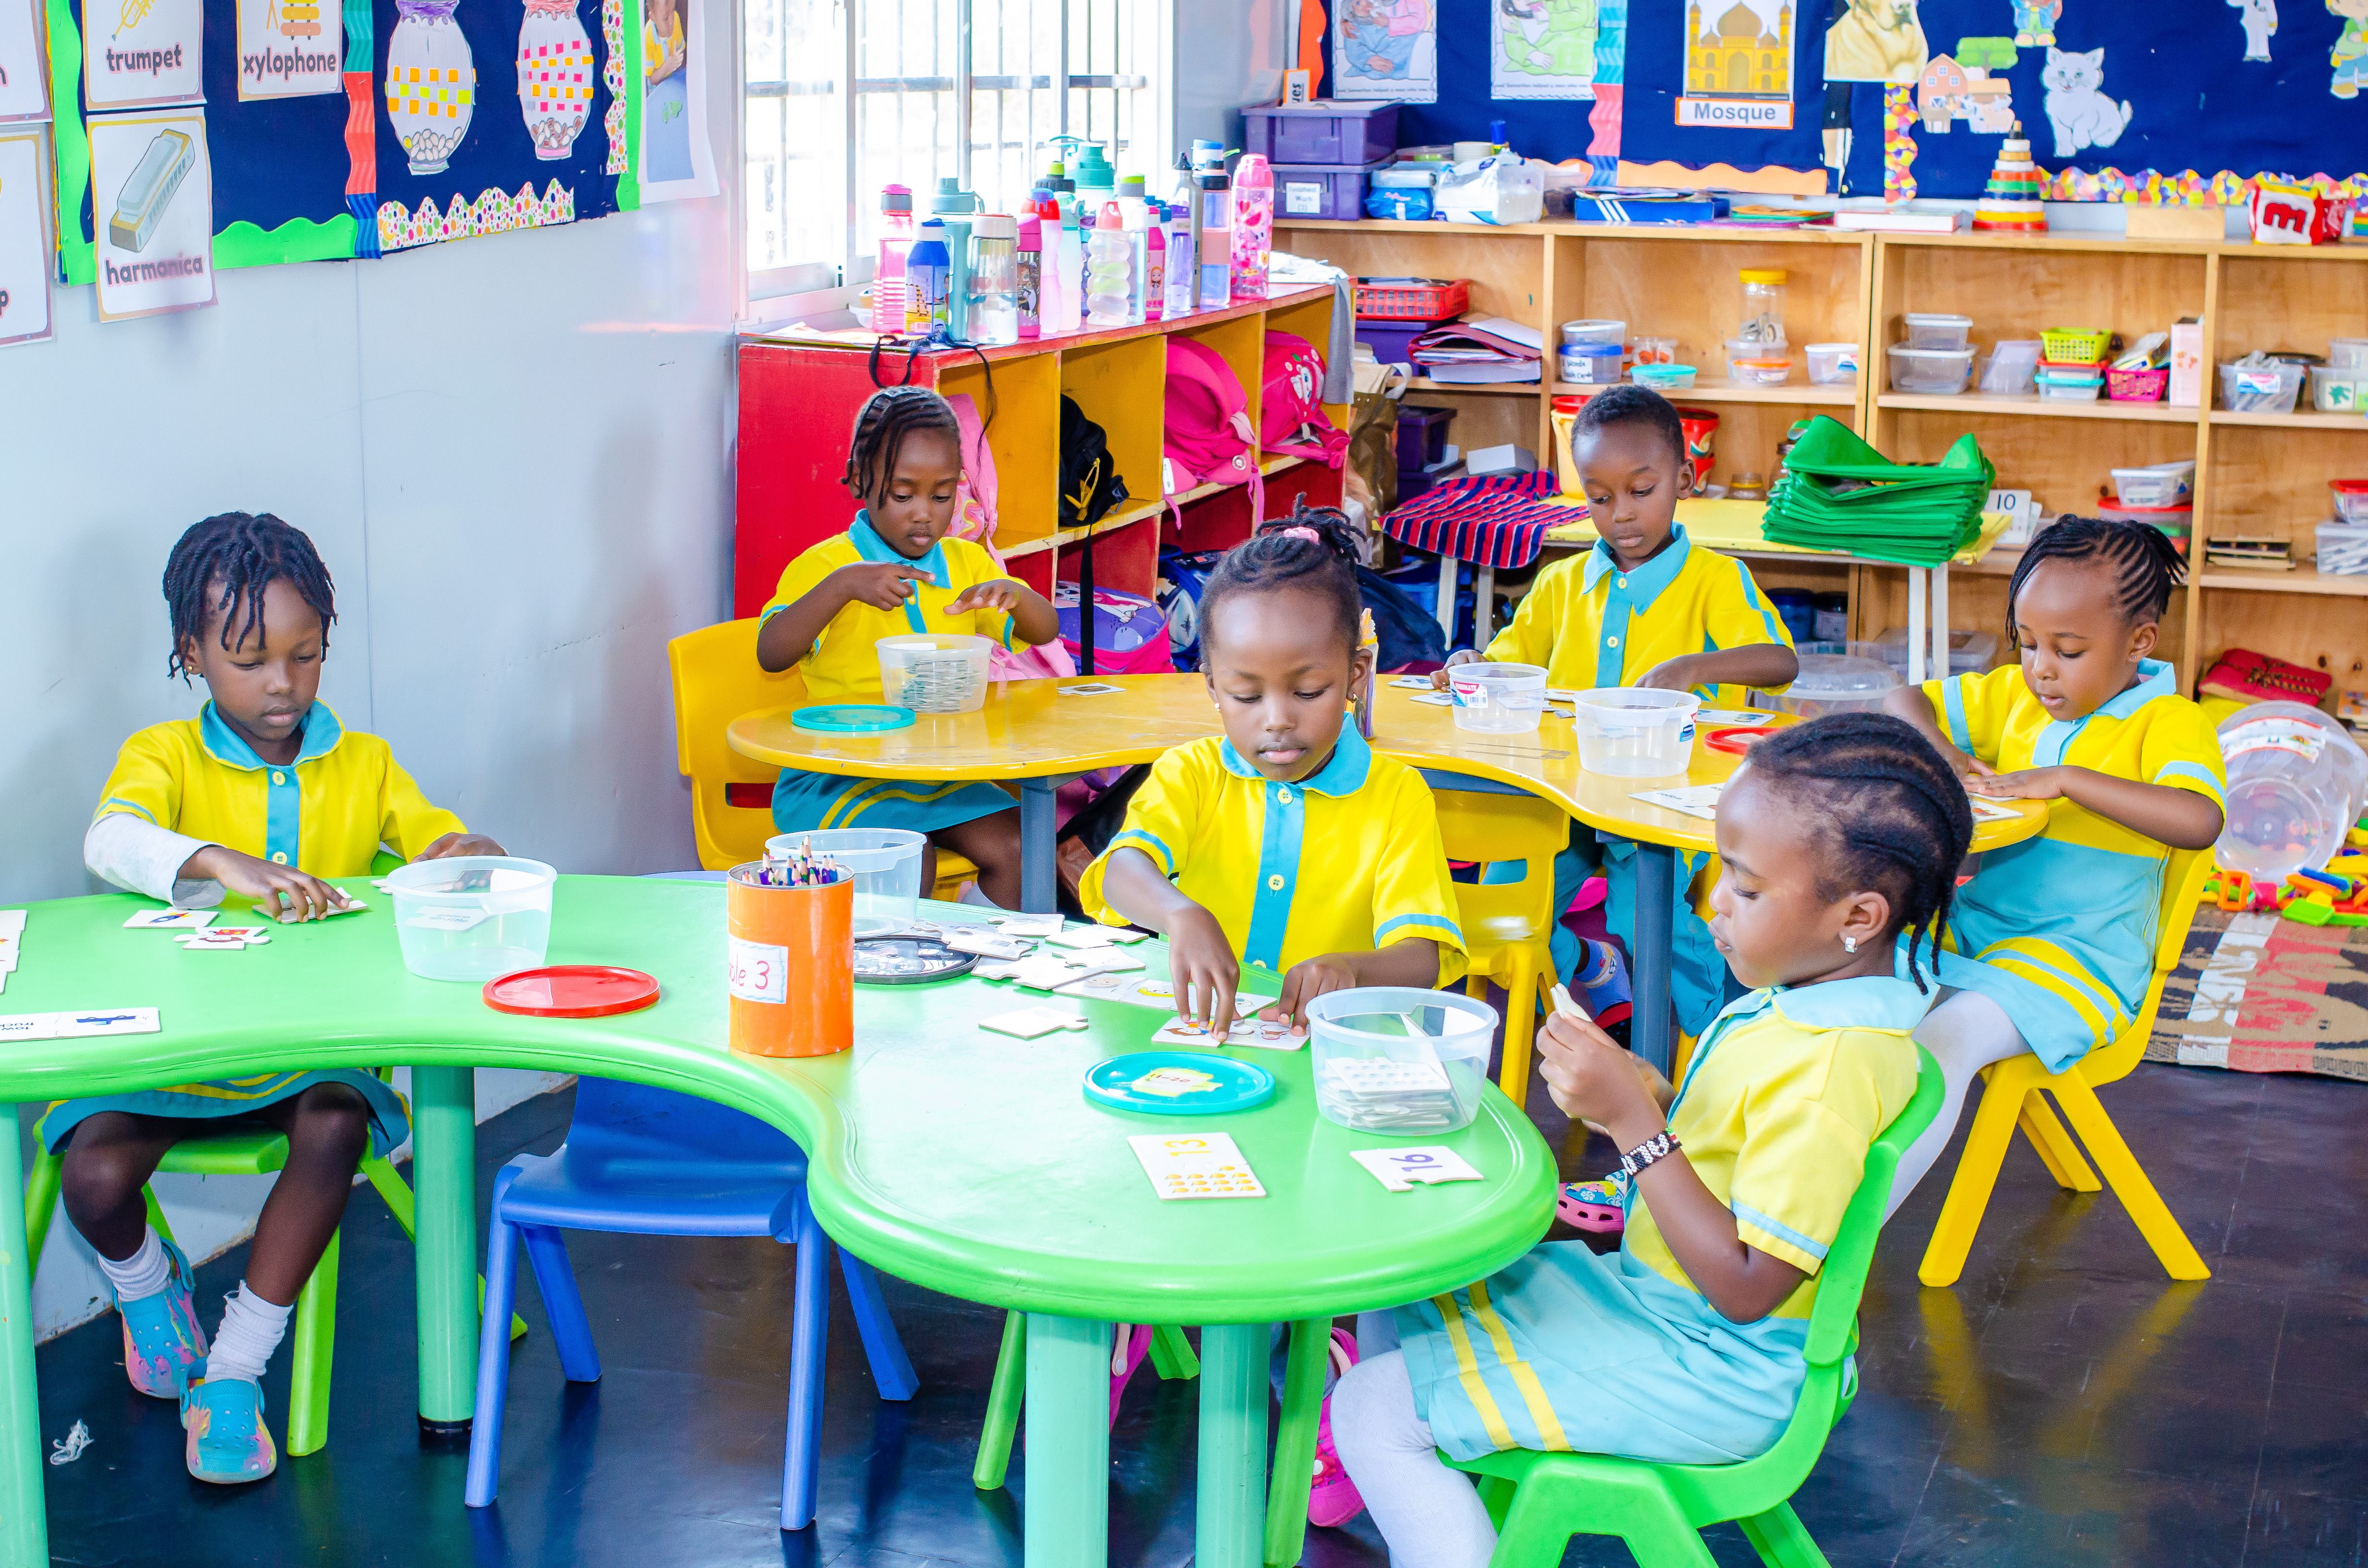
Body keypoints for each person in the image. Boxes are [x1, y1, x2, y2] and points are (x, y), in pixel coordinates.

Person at [1316, 713, 1971, 1556]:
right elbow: (1741, 1149)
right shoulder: (1812, 1002)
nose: (1714, 903)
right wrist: (1653, 1097)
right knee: (1403, 1285)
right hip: (1671, 1314)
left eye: (1745, 886)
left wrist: (1633, 1120)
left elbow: (1747, 1285)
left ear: (1858, 914)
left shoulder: (1831, 1065)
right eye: (1719, 873)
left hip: (1715, 1366)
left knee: (1371, 1409)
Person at [61, 512, 503, 1484]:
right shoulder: (164, 756)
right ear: (192, 653)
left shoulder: (365, 763)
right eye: (251, 659)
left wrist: (463, 856)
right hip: (176, 1057)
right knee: (90, 1176)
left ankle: (233, 1370)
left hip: (311, 1060)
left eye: (307, 657)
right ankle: (149, 1291)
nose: (283, 686)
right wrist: (220, 861)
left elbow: (442, 848)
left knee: (340, 1120)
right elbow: (111, 842)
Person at [1880, 515, 2225, 1208]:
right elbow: (1901, 697)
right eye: (2029, 641)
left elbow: (2200, 819)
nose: (2041, 667)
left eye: (2067, 650)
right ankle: (1772, 1210)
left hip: (2079, 963)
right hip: (1971, 934)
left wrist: (2068, 780)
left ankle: (1829, 1253)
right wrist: (1944, 754)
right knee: (1828, 995)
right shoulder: (2015, 694)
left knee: (1942, 1044)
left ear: (2139, 643)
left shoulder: (2170, 723)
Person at [1436, 385, 1798, 1031]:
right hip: (1559, 796)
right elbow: (1506, 662)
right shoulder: (1559, 585)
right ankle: (1587, 959)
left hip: (1657, 803)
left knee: (1648, 925)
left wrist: (1696, 668)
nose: (1622, 515)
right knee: (1500, 907)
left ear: (1684, 479)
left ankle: (1703, 1042)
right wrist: (1469, 665)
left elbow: (1781, 663)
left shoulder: (1713, 580)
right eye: (1600, 498)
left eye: (1641, 490)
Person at [1078, 510, 1467, 1035]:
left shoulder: (1396, 795)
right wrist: (1177, 913)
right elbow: (1123, 869)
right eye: (1245, 695)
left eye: (1308, 692)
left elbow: (1422, 954)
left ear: (1355, 676)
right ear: (1213, 686)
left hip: (1331, 1051)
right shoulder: (1191, 772)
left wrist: (1352, 968)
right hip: (1203, 1044)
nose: (1278, 719)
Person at [756, 386, 1061, 908]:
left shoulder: (967, 564)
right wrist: (841, 588)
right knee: (907, 856)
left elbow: (1045, 630)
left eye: (941, 496)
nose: (924, 515)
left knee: (1024, 847)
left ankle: (962, 948)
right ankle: (903, 958)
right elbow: (771, 652)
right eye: (903, 495)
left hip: (934, 774)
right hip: (839, 777)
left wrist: (1017, 596)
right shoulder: (828, 566)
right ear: (858, 478)